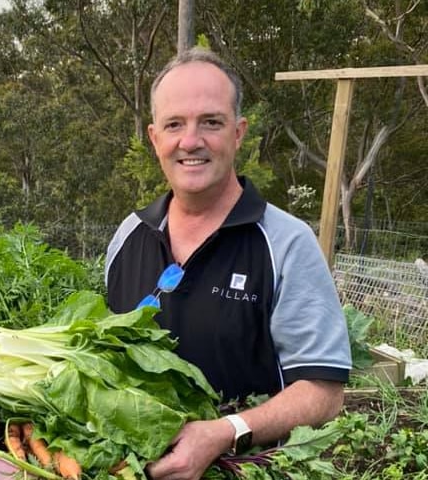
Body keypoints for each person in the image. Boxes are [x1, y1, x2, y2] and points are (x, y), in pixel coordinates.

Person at [104, 47, 352, 480]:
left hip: (241, 470)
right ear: (154, 138)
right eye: (174, 124)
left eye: (211, 122)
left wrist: (226, 431)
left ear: (239, 133)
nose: (191, 141)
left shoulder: (285, 242)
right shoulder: (129, 235)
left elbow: (324, 391)